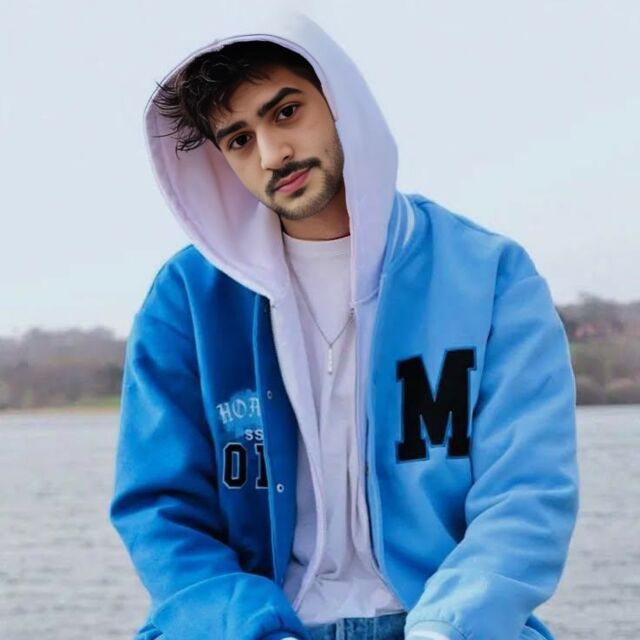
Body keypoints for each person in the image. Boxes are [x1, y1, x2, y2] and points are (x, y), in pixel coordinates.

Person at [109, 11, 579, 640]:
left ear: (339, 102)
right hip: (253, 627)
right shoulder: (187, 299)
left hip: (449, 624)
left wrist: (445, 628)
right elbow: (161, 510)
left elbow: (527, 492)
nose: (273, 154)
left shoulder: (489, 275)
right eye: (239, 139)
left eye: (285, 112)